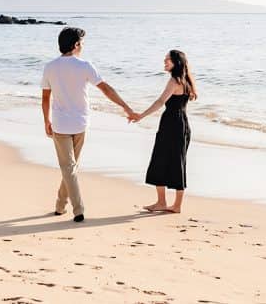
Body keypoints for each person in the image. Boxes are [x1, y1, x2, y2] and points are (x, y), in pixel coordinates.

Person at [41, 26, 135, 222]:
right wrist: (126, 107)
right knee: (71, 167)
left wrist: (46, 120)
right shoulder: (85, 66)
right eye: (81, 43)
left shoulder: (50, 66)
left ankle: (61, 205)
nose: (82, 46)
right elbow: (106, 89)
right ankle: (77, 209)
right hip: (80, 122)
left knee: (69, 167)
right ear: (76, 45)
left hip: (61, 123)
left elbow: (45, 98)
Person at [129, 49, 197, 214]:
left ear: (176, 63)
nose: (164, 62)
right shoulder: (187, 81)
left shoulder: (174, 81)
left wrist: (141, 115)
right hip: (183, 125)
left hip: (171, 125)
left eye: (168, 60)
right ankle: (176, 205)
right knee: (178, 163)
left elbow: (160, 101)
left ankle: (162, 202)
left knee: (160, 160)